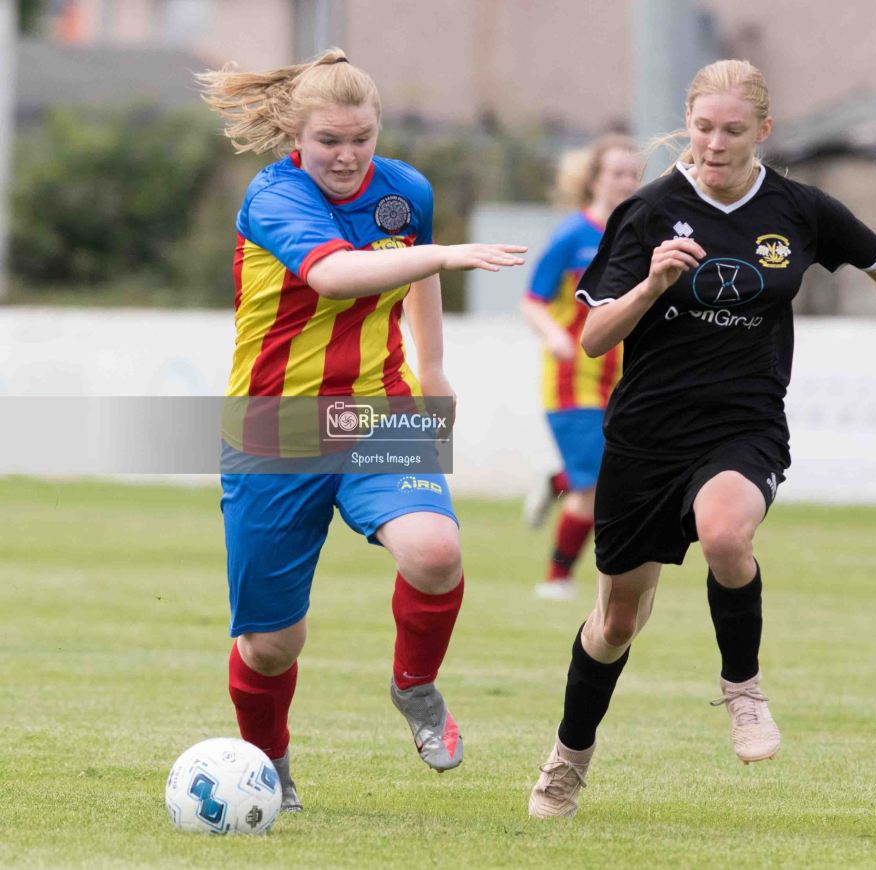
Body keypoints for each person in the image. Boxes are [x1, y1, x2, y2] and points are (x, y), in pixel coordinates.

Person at [528, 59, 876, 819]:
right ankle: (568, 758)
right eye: (703, 128)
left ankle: (744, 690)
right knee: (616, 623)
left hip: (744, 426)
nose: (715, 144)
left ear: (764, 130)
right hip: (646, 437)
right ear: (687, 126)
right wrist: (651, 285)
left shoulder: (799, 208)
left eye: (733, 130)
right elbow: (594, 337)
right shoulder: (648, 211)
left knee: (726, 535)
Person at [197, 48, 526, 811]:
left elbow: (416, 273)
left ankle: (415, 687)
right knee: (272, 645)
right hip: (275, 428)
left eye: (361, 139)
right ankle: (270, 765)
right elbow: (334, 274)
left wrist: (432, 367)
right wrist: (444, 253)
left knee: (435, 551)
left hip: (378, 409)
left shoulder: (405, 191)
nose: (347, 157)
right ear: (296, 136)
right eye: (329, 142)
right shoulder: (274, 195)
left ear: (378, 130)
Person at [520, 135, 642, 601]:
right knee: (596, 487)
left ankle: (557, 480)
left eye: (633, 174)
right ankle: (556, 579)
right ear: (595, 180)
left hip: (623, 378)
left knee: (613, 474)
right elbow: (532, 301)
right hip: (573, 378)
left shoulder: (641, 235)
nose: (626, 182)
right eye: (617, 173)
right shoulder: (572, 235)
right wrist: (555, 336)